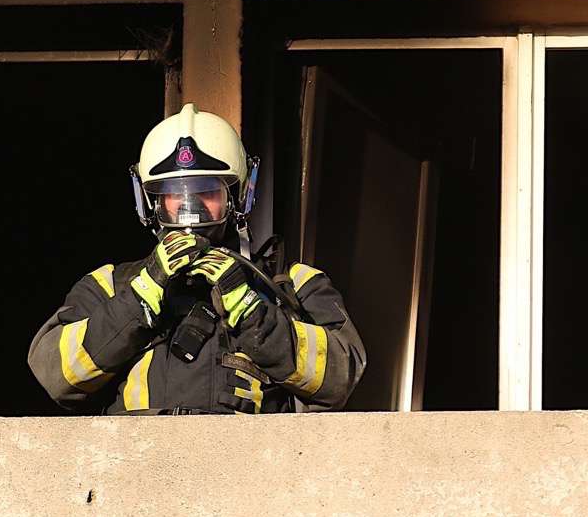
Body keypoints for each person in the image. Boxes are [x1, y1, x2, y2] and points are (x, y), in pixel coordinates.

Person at [28, 103, 365, 415]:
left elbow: (341, 377)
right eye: (175, 193)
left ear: (237, 196)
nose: (190, 206)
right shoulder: (110, 285)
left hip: (251, 471)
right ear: (152, 201)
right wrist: (136, 302)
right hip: (139, 471)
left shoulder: (292, 283)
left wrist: (254, 314)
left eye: (207, 191)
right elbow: (57, 377)